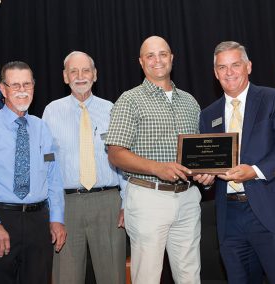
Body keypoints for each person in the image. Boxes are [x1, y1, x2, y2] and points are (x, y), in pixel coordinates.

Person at [105, 36, 213, 284]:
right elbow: (115, 153)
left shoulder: (190, 101)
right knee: (148, 278)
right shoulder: (129, 100)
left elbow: (201, 152)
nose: (157, 60)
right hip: (147, 199)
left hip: (187, 198)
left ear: (172, 58)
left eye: (162, 54)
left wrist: (206, 174)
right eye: (150, 56)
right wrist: (157, 168)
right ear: (141, 62)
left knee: (190, 276)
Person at [199, 41, 275, 284]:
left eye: (235, 65)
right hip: (230, 218)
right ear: (216, 73)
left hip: (271, 211)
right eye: (222, 67)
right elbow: (209, 164)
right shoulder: (208, 115)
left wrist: (255, 171)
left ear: (248, 67)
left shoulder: (274, 99)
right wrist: (205, 178)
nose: (229, 72)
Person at [42, 51, 127, 284]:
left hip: (109, 202)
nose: (80, 76)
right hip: (67, 205)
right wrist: (52, 209)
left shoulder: (113, 109)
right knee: (66, 277)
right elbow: (47, 160)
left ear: (95, 74)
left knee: (114, 277)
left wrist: (126, 203)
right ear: (65, 77)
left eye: (86, 70)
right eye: (73, 71)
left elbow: (124, 160)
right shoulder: (51, 112)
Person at [0, 61, 66, 284]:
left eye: (27, 84)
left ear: (34, 87)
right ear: (2, 89)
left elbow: (53, 176)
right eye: (15, 85)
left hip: (39, 223)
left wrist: (56, 219)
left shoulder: (42, 128)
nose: (22, 91)